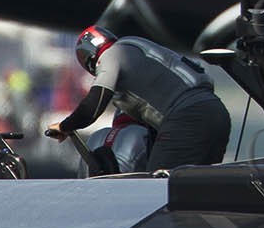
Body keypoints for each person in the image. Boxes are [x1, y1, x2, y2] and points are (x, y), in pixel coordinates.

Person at [46, 27, 231, 171]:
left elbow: (94, 104)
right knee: (200, 190)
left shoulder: (113, 55)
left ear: (89, 58)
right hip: (216, 112)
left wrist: (65, 126)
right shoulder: (139, 49)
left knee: (159, 187)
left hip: (187, 117)